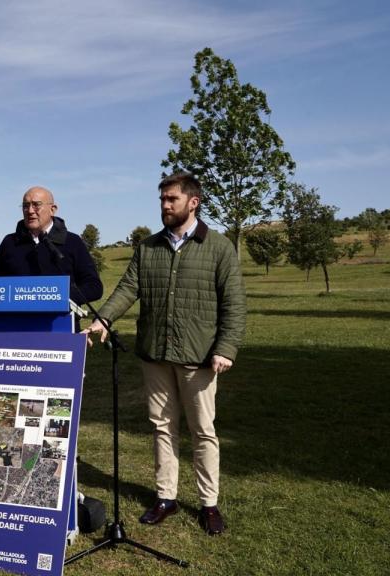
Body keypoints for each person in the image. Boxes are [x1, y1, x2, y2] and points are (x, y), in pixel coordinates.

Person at [84, 172, 246, 536]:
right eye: (162, 200)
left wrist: (226, 348)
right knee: (162, 428)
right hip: (155, 355)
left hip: (199, 357)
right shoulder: (149, 247)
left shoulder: (218, 247)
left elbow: (234, 305)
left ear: (193, 202)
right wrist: (104, 320)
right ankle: (165, 497)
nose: (165, 206)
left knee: (203, 431)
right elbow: (128, 288)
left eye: (172, 199)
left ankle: (209, 504)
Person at [0, 186, 103, 306]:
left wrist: (58, 297)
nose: (30, 211)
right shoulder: (9, 243)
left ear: (52, 209)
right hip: (16, 322)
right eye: (25, 205)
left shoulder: (72, 242)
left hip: (60, 322)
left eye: (36, 205)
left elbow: (94, 287)